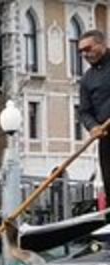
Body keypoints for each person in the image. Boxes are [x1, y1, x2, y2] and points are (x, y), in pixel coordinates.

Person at [78, 29, 110, 194]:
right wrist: (92, 127)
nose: (85, 54)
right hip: (107, 139)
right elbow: (84, 112)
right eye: (81, 51)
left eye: (88, 48)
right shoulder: (86, 80)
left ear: (102, 44)